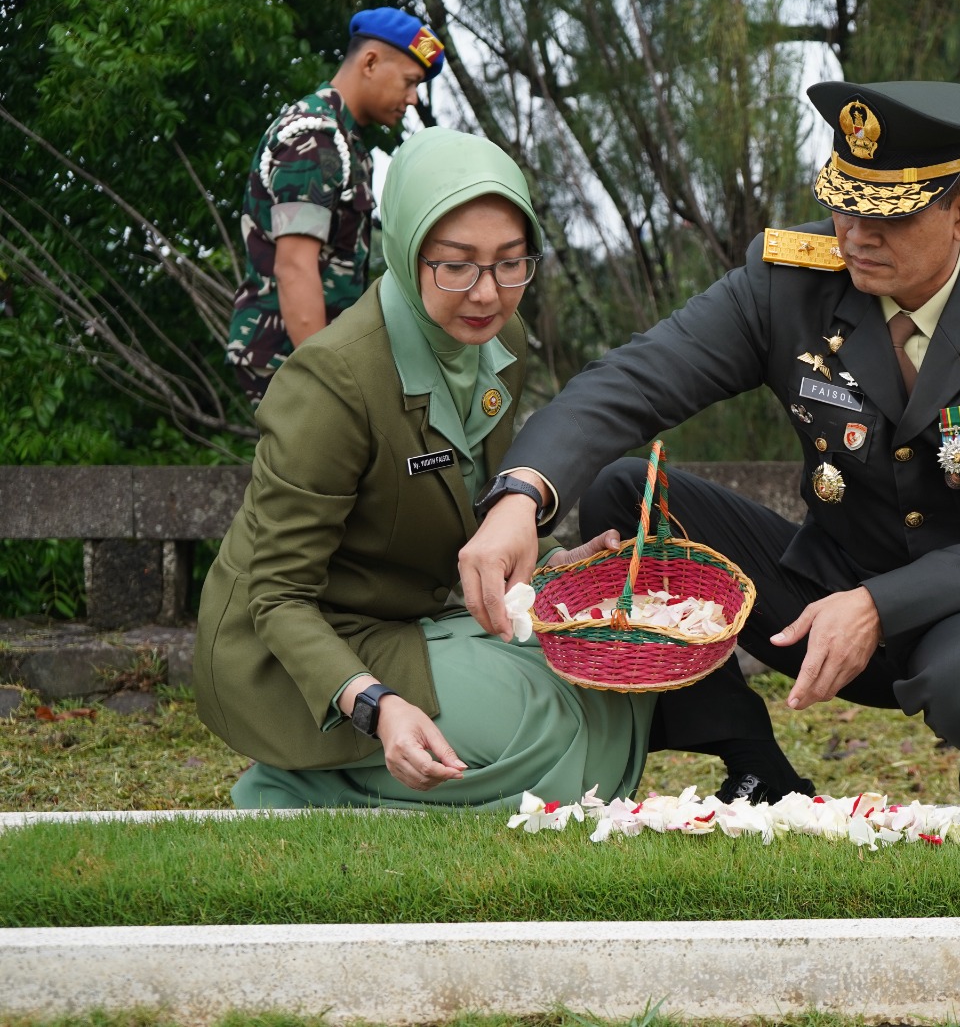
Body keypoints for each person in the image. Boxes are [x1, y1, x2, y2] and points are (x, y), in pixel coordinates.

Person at [459, 80, 960, 805]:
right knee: (626, 498)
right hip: (829, 587)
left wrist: (881, 603)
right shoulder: (790, 284)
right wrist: (522, 493)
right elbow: (637, 379)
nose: (856, 236)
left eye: (890, 217)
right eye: (845, 203)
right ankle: (756, 765)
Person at [195, 126, 653, 810]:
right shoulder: (332, 381)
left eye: (510, 263)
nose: (486, 294)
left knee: (611, 677)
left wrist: (555, 562)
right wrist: (377, 706)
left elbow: (468, 502)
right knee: (542, 728)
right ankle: (296, 784)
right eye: (456, 266)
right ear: (408, 250)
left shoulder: (501, 341)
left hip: (417, 618)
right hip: (303, 646)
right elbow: (278, 597)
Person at [225, 7, 447, 407]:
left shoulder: (344, 141)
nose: (413, 98)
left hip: (316, 352)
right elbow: (295, 267)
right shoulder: (315, 138)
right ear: (370, 62)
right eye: (410, 81)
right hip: (290, 357)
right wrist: (326, 382)